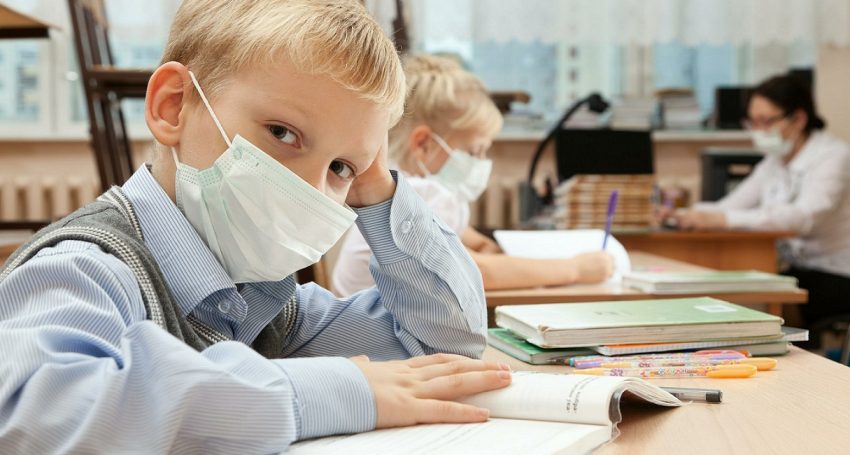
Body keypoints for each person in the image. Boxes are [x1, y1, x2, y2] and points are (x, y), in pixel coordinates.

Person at [0, 1, 513, 452]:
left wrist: (374, 183)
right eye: (283, 133)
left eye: (339, 169)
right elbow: (36, 418)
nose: (312, 191)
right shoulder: (83, 267)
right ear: (173, 105)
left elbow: (442, 350)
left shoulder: (265, 305)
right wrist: (335, 391)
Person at [332, 55, 614, 295]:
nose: (482, 163)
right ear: (424, 144)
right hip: (373, 347)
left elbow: (462, 238)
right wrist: (575, 268)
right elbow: (477, 273)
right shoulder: (419, 193)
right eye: (475, 151)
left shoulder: (400, 188)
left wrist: (479, 242)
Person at [671, 74, 850, 328]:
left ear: (798, 119)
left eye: (766, 121)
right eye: (752, 122)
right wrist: (680, 214)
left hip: (836, 272)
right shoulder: (774, 162)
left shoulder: (834, 156)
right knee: (746, 288)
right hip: (795, 270)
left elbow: (803, 218)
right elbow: (728, 206)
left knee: (764, 299)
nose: (758, 131)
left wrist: (723, 220)